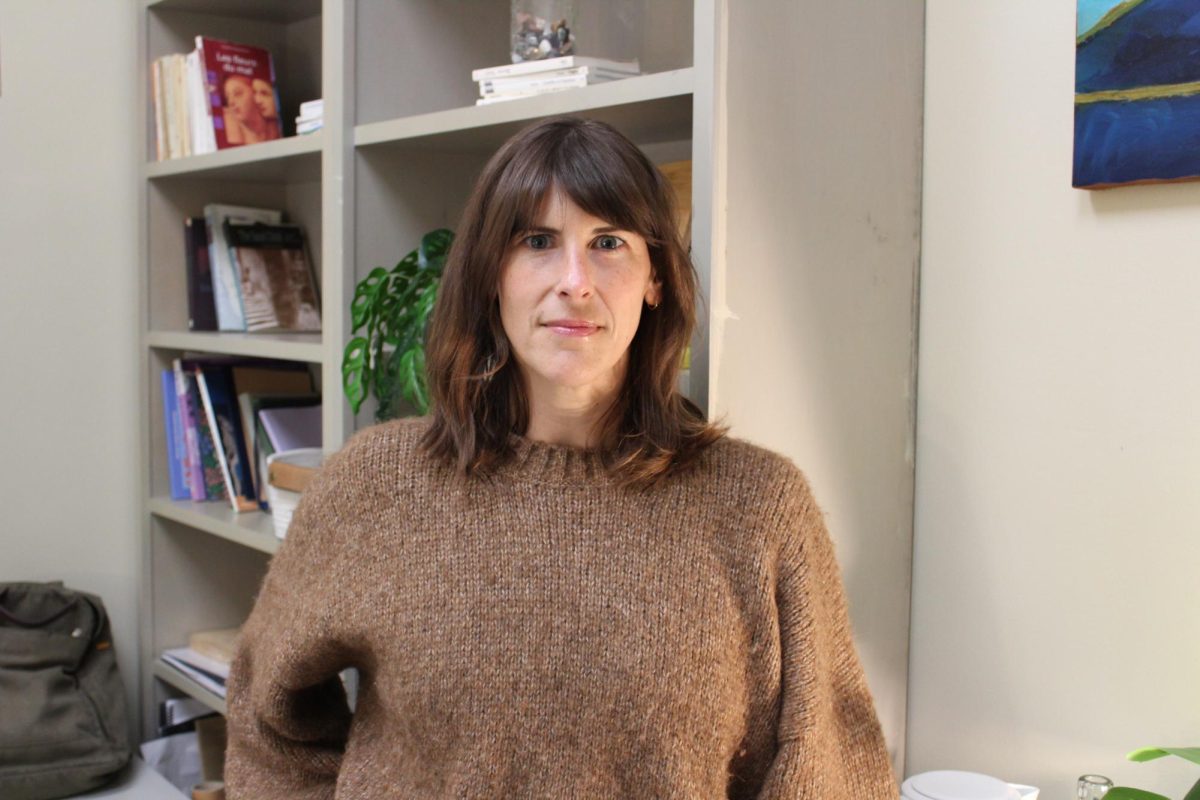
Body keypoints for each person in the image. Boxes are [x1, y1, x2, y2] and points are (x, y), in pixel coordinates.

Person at [224, 116, 897, 798]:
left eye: (608, 242)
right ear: (492, 274)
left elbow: (830, 767)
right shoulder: (375, 485)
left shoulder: (759, 506)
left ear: (656, 277)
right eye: (538, 242)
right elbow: (267, 719)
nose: (575, 281)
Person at [221, 74, 277, 145]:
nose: (231, 102)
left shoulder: (276, 126)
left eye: (238, 93)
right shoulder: (229, 122)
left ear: (254, 94)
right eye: (227, 97)